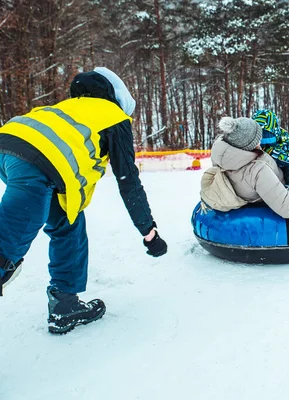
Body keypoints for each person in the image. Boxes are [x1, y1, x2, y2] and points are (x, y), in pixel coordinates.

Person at [0, 67, 167, 334]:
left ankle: (65, 305)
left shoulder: (67, 108)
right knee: (5, 250)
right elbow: (128, 181)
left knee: (69, 222)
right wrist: (149, 232)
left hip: (10, 147)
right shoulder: (114, 116)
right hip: (37, 164)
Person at [252, 109, 289, 191]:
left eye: (266, 137)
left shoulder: (284, 138)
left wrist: (272, 152)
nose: (262, 143)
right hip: (274, 163)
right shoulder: (253, 137)